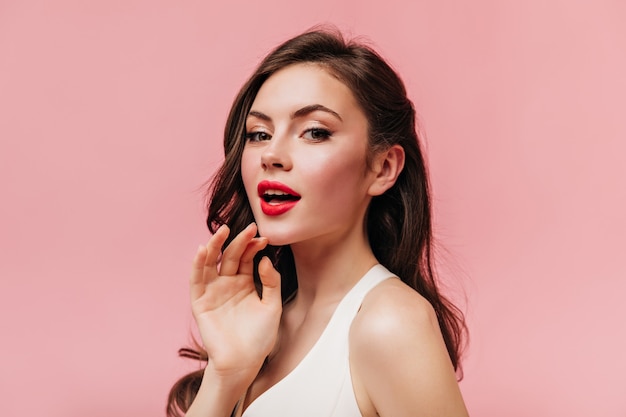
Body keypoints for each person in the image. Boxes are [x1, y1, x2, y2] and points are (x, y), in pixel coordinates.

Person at [167, 27, 469, 417]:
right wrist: (225, 374)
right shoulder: (262, 323)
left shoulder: (391, 323)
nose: (272, 155)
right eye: (259, 134)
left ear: (383, 167)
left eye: (315, 132)